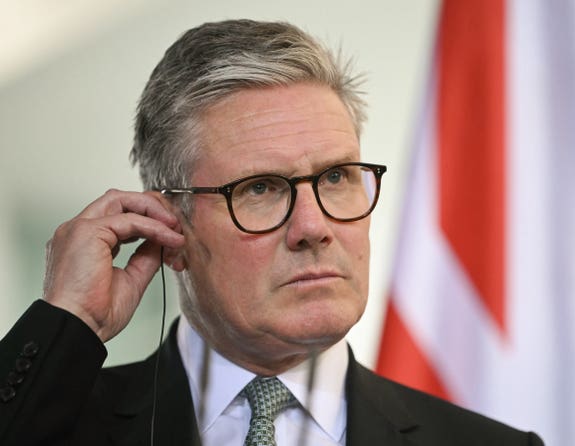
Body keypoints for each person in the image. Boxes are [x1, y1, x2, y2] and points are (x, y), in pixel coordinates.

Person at [0, 19, 543, 446]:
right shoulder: (58, 425)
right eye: (260, 188)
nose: (314, 227)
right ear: (170, 226)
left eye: (336, 177)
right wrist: (68, 320)